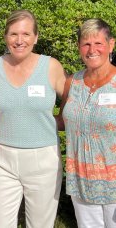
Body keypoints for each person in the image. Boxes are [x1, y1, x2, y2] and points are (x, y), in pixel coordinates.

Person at [0, 9, 66, 228]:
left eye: (26, 34)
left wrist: (56, 121)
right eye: (14, 34)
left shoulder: (51, 66)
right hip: (1, 159)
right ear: (5, 37)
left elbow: (73, 104)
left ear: (36, 37)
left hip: (43, 159)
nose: (20, 40)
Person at [60, 18, 116, 227]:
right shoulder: (72, 82)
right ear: (79, 48)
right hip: (81, 179)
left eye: (98, 43)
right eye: (86, 44)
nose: (92, 49)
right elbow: (63, 121)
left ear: (111, 44)